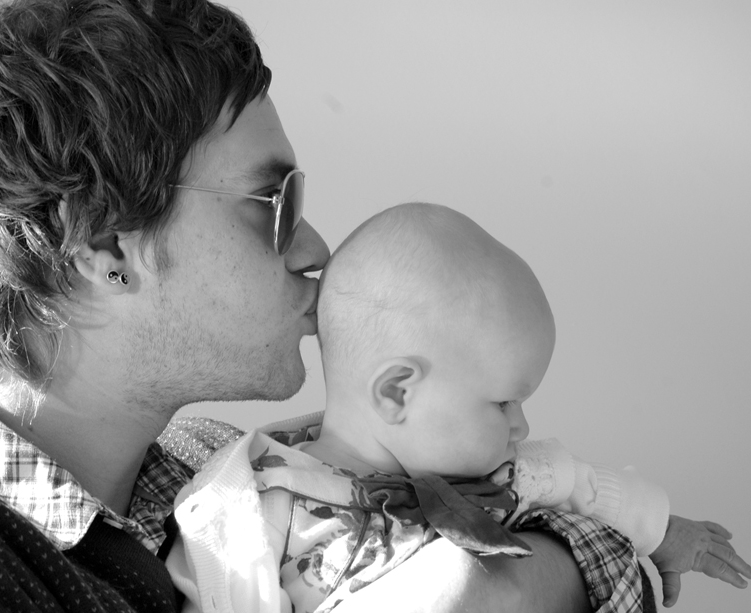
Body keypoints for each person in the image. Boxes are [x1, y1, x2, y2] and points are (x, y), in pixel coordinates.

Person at [0, 1, 650, 611]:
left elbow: (601, 548)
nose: (317, 247)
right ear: (107, 248)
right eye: (273, 202)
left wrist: (493, 584)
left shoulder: (220, 465)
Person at [166, 202, 751, 613]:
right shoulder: (256, 501)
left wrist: (666, 532)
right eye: (503, 402)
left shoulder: (501, 472)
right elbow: (219, 595)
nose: (522, 425)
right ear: (398, 393)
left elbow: (585, 484)